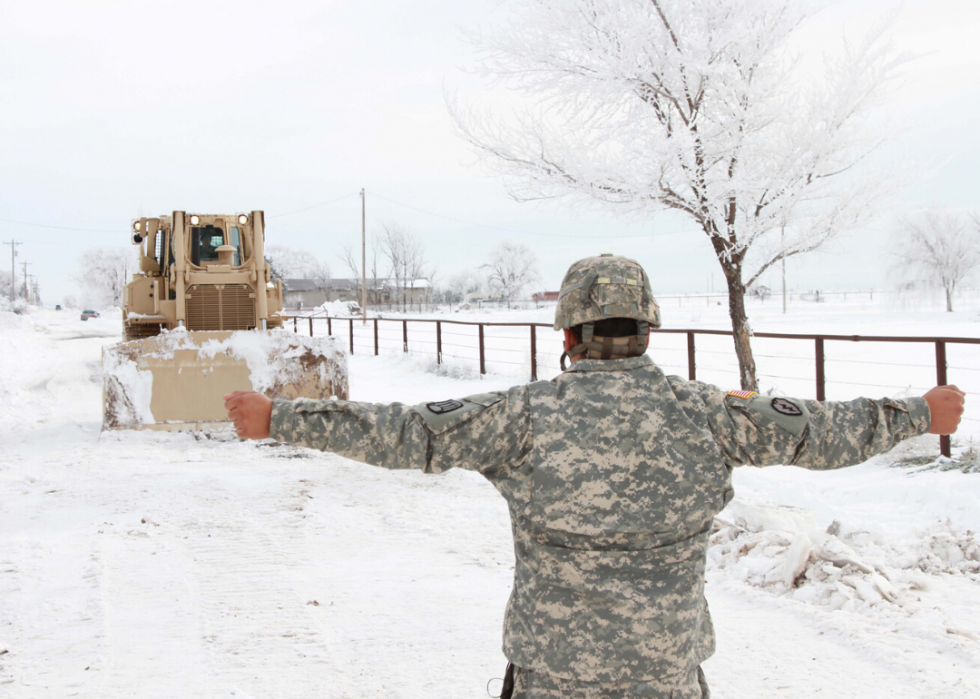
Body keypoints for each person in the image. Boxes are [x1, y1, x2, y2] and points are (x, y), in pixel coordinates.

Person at [225, 254, 965, 699]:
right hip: (666, 678)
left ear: (570, 335)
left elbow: (410, 433)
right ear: (649, 329)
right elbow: (823, 432)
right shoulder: (710, 416)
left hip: (552, 681)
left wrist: (280, 418)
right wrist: (918, 411)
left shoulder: (523, 415)